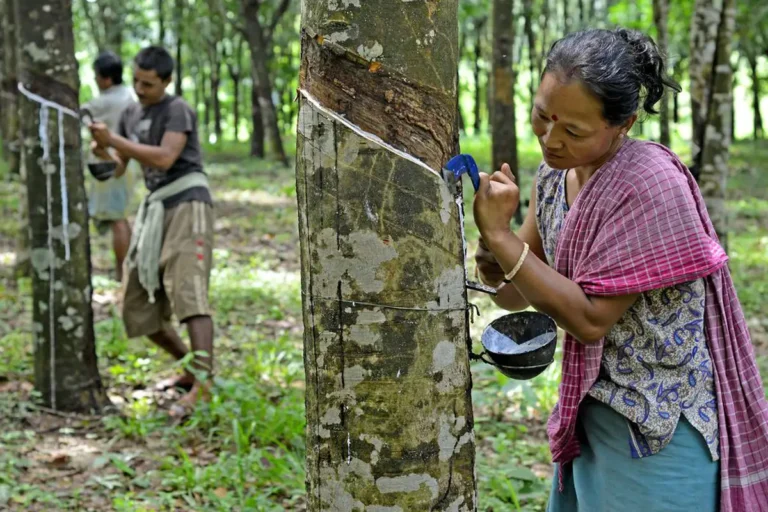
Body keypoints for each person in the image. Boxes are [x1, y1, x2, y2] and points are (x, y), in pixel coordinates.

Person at [473, 28, 768, 511]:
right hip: (596, 415)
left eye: (574, 130)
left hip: (659, 427)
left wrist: (505, 241)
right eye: (543, 117)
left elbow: (589, 320)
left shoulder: (648, 184)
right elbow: (514, 295)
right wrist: (494, 249)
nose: (551, 139)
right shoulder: (553, 174)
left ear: (623, 124)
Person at [89, 46, 214, 418]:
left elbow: (164, 157)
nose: (140, 89)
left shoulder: (177, 110)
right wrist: (100, 147)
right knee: (137, 300)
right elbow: (118, 166)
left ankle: (204, 387)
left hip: (187, 201)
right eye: (136, 81)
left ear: (167, 81)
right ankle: (192, 368)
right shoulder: (129, 112)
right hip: (154, 205)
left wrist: (114, 141)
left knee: (187, 290)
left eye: (148, 84)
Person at [83, 51, 136, 281]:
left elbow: (81, 112)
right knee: (121, 214)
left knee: (117, 218)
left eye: (96, 76)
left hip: (111, 161)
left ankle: (122, 271)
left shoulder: (106, 101)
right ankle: (127, 266)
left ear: (105, 78)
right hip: (129, 159)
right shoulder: (131, 96)